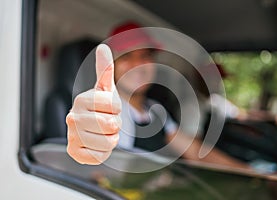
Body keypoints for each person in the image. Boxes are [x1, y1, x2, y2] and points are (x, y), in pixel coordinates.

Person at [66, 22, 250, 170]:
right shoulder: (107, 112)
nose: (138, 65)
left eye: (145, 55)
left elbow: (195, 151)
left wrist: (249, 172)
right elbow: (99, 166)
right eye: (127, 56)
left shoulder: (155, 110)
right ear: (111, 65)